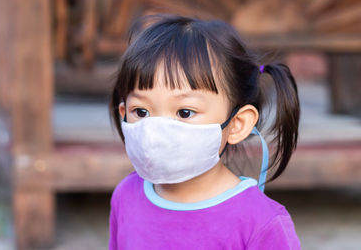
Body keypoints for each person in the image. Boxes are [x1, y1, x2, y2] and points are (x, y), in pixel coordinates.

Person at [108, 14, 301, 249]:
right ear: (123, 112)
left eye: (185, 112)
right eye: (141, 111)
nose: (156, 128)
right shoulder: (126, 196)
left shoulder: (260, 222)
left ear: (237, 124)